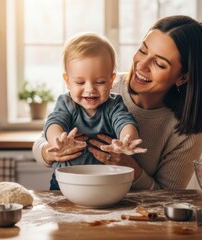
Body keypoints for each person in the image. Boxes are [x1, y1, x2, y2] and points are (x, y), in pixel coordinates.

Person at [33, 15, 202, 190]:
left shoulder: (188, 128)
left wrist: (132, 169)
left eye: (159, 64)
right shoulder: (104, 84)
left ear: (183, 77)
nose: (141, 66)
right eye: (143, 50)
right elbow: (44, 139)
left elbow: (168, 195)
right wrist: (51, 152)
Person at [43, 33, 146, 190]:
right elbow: (54, 123)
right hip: (65, 182)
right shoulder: (66, 103)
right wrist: (59, 140)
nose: (90, 89)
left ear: (111, 80)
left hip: (106, 183)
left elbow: (125, 123)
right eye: (80, 82)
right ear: (67, 82)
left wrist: (127, 140)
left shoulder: (114, 105)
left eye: (100, 82)